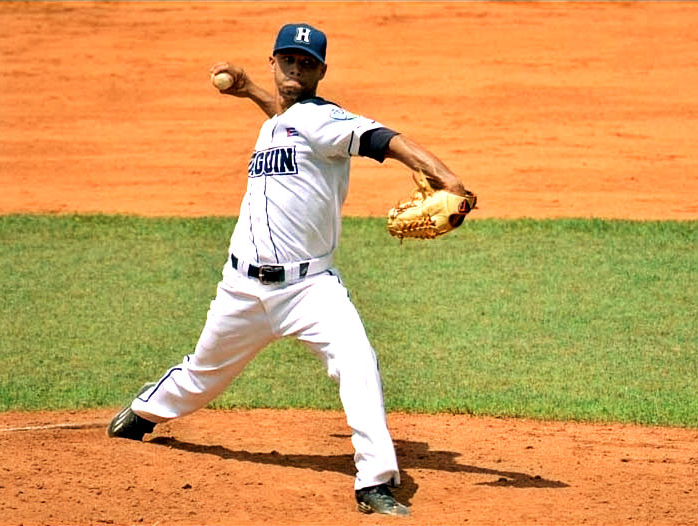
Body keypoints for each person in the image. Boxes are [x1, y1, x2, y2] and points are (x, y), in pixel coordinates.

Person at [107, 22, 468, 517]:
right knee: (202, 374)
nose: (296, 68)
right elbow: (284, 114)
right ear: (273, 62)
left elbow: (385, 138)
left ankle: (374, 482)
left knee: (357, 363)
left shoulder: (327, 120)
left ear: (322, 71)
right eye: (287, 60)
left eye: (307, 63)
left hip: (309, 289)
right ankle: (145, 412)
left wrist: (445, 175)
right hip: (241, 288)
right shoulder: (281, 119)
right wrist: (248, 89)